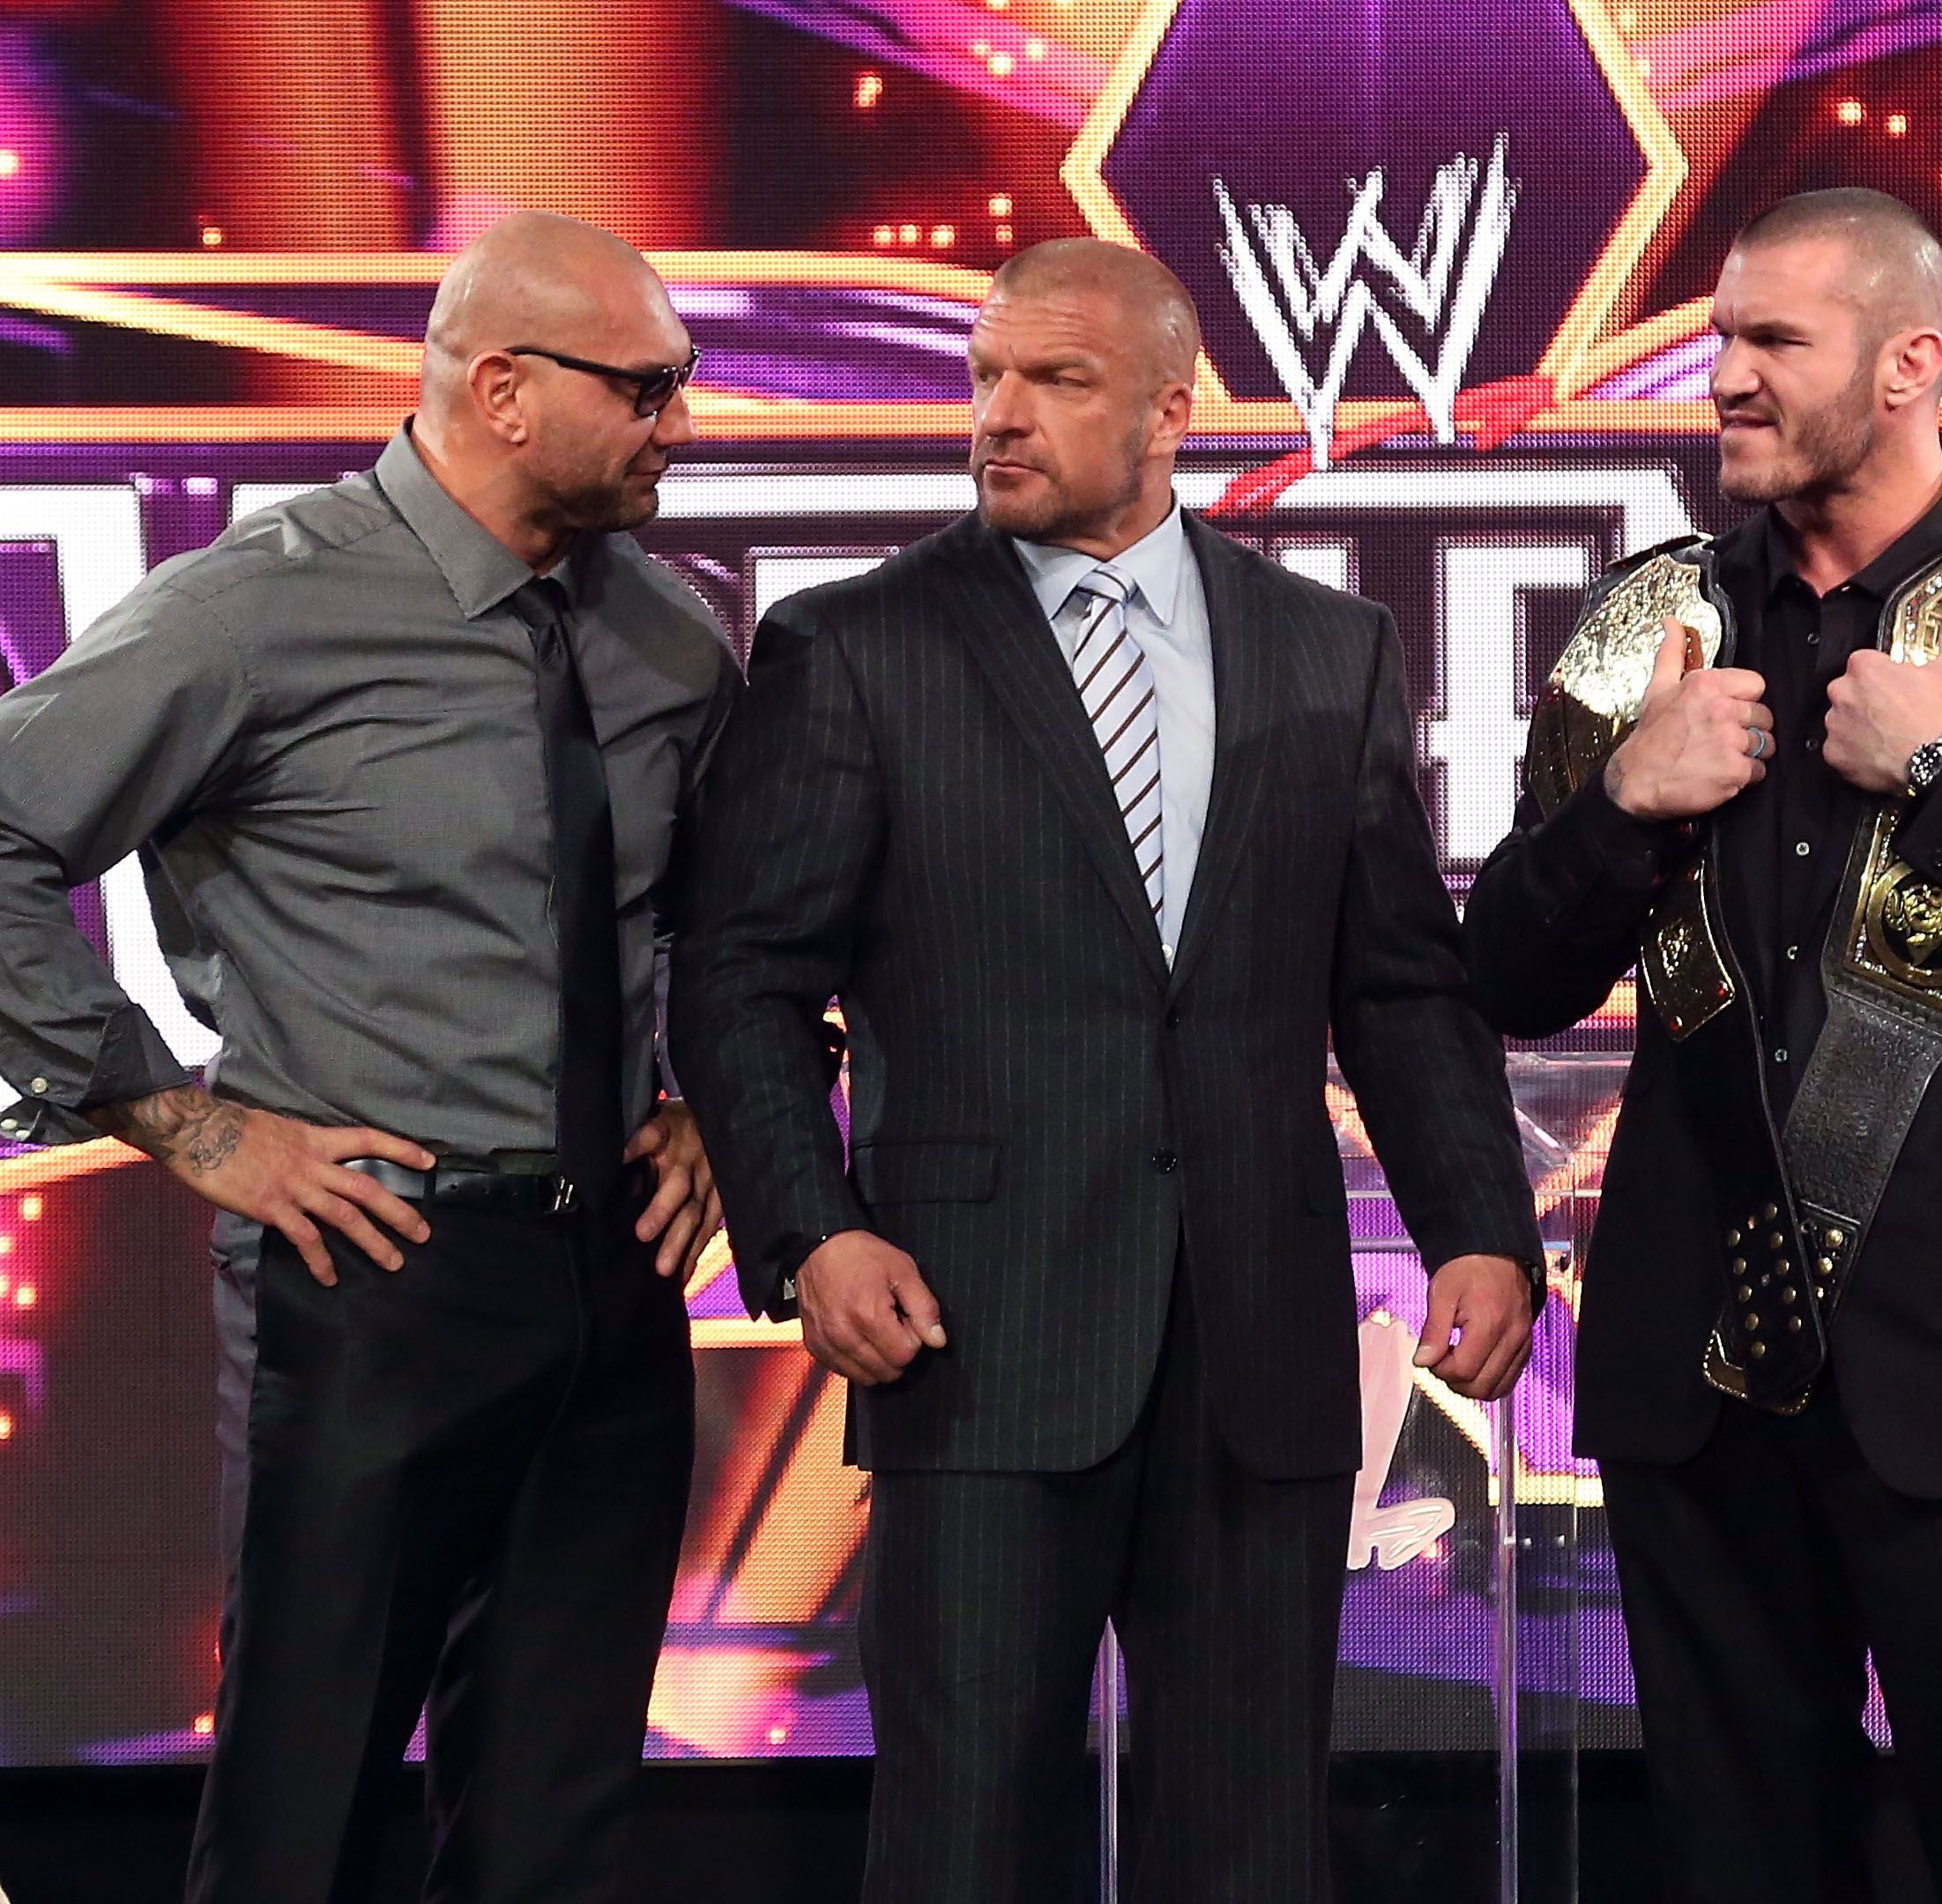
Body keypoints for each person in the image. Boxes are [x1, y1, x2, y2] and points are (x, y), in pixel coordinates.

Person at [666, 236, 1541, 1904]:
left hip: (1260, 1342)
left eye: (1052, 380)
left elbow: (1398, 984)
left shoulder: (1323, 648)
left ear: (1167, 405)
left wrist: (1478, 1227)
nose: (999, 414)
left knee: (1250, 1842)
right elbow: (740, 977)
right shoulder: (856, 647)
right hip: (971, 1333)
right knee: (963, 1836)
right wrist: (809, 1223)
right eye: (985, 377)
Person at [1462, 189, 1942, 1901]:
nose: (1723, 379)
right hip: (1690, 1384)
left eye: (1769, 343)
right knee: (1739, 1862)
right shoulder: (1643, 630)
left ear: (1907, 364)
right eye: (1720, 340)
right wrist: (1624, 804)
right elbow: (1507, 975)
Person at [0, 212, 733, 1901]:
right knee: (302, 1814)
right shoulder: (250, 616)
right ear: (501, 389)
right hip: (371, 1266)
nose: (678, 426)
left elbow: (728, 912)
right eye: (645, 391)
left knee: (555, 1824)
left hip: (615, 1278)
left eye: (680, 386)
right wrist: (185, 1127)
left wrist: (716, 1089)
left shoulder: (676, 634)